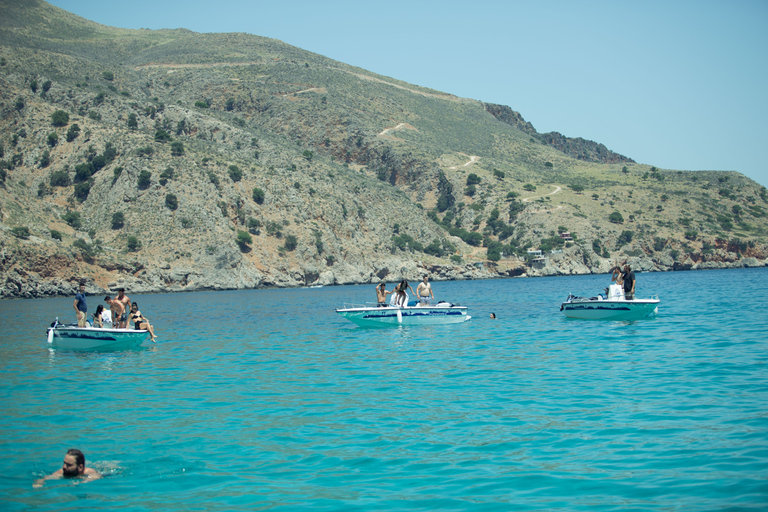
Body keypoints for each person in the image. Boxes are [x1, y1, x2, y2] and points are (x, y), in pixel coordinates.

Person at [33, 448, 101, 487]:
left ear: (80, 467)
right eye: (64, 463)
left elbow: (95, 477)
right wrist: (40, 482)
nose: (64, 467)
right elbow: (48, 477)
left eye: (69, 465)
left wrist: (81, 482)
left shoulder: (89, 472)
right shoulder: (62, 471)